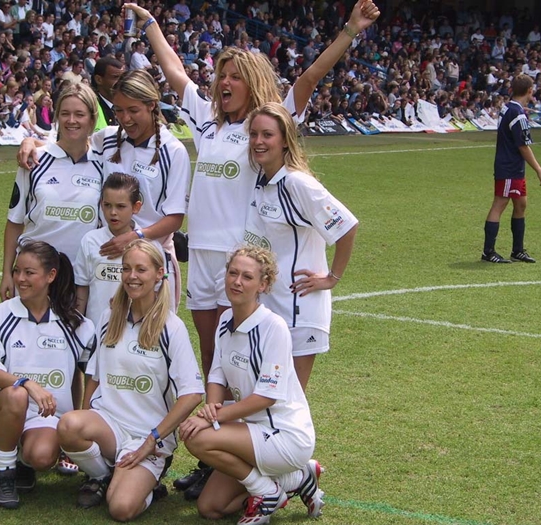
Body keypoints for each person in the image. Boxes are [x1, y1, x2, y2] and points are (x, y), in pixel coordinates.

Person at [123, 0, 378, 498]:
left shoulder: (264, 126)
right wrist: (151, 26)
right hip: (202, 258)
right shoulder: (206, 122)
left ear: (253, 82)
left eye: (234, 76)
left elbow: (306, 81)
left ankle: (254, 466)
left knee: (255, 366)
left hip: (244, 264)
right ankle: (218, 456)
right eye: (221, 74)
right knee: (216, 361)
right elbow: (174, 73)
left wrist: (349, 31)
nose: (224, 83)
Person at [57, 240, 204, 520]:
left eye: (141, 269)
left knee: (121, 508)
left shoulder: (171, 327)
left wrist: (153, 439)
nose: (132, 276)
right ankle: (104, 475)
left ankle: (146, 484)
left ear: (159, 274)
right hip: (110, 424)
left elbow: (192, 394)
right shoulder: (108, 316)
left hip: (147, 435)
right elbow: (95, 375)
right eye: (126, 269)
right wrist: (86, 414)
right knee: (68, 425)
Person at [19, 69, 191, 309]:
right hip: (106, 258)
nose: (125, 118)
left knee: (149, 335)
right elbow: (69, 143)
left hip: (149, 258)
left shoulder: (173, 152)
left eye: (133, 110)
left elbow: (174, 218)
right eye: (119, 110)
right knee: (103, 329)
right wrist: (31, 142)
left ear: (152, 105)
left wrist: (134, 237)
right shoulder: (107, 139)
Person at [179, 246, 323, 525]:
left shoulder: (274, 327)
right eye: (233, 273)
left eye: (247, 277)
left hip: (285, 435)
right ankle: (295, 479)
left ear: (263, 285)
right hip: (251, 432)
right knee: (210, 507)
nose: (237, 282)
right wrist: (210, 408)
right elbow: (216, 375)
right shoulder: (224, 320)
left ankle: (266, 490)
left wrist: (214, 418)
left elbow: (266, 398)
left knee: (197, 437)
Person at [244, 102, 358, 391]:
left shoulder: (298, 184)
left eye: (267, 135)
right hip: (271, 303)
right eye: (254, 134)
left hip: (299, 308)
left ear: (285, 140)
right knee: (266, 394)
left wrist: (332, 278)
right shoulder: (262, 180)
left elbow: (347, 226)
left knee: (289, 399)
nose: (259, 142)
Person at [0, 240, 95, 509]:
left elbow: (90, 376)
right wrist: (28, 383)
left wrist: (81, 416)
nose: (20, 279)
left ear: (51, 276)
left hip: (45, 418)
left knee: (41, 457)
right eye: (17, 271)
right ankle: (3, 473)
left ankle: (23, 461)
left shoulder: (77, 324)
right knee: (17, 394)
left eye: (29, 273)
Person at [0, 82, 102, 302]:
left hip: (82, 279)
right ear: (56, 117)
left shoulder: (103, 165)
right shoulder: (34, 159)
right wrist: (7, 272)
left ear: (92, 120)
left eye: (79, 114)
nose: (71, 120)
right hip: (34, 277)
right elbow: (15, 221)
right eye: (65, 113)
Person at [74, 172, 166, 327]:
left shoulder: (151, 246)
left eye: (121, 206)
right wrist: (78, 326)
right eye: (107, 205)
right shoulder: (90, 240)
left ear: (136, 207)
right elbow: (82, 290)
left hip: (136, 335)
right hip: (97, 333)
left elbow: (158, 295)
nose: (113, 212)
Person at [482, 74, 541, 264]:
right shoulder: (518, 114)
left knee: (521, 204)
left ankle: (517, 250)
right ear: (530, 91)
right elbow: (523, 146)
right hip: (509, 167)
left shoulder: (509, 108)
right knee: (500, 204)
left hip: (513, 167)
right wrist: (539, 170)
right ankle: (488, 252)